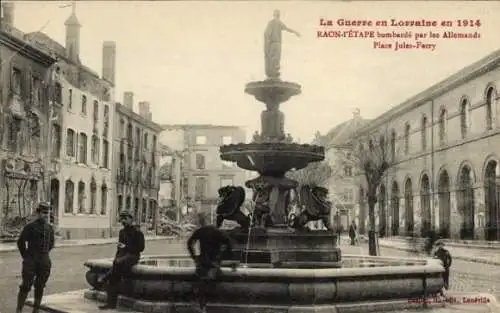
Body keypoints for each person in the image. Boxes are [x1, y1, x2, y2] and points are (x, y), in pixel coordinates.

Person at [187, 213, 236, 313]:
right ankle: (207, 305)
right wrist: (224, 256)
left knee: (202, 281)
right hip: (214, 261)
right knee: (210, 279)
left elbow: (189, 243)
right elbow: (229, 243)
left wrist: (194, 257)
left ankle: (202, 305)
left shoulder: (200, 231)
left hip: (203, 261)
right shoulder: (217, 231)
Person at [97, 211, 145, 310]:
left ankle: (106, 276)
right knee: (113, 279)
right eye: (121, 219)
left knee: (116, 269)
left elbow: (140, 248)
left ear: (131, 219)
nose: (123, 221)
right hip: (122, 258)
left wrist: (126, 247)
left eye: (125, 219)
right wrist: (117, 258)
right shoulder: (121, 232)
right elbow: (119, 249)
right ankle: (110, 304)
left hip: (133, 256)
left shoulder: (137, 232)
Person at [16, 202, 55, 313]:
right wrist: (26, 257)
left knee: (40, 285)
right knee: (26, 285)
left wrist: (44, 255)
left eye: (47, 213)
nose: (45, 215)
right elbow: (21, 242)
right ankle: (19, 310)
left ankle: (36, 310)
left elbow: (51, 244)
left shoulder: (49, 229)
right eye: (43, 213)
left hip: (44, 260)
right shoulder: (30, 227)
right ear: (38, 213)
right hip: (31, 260)